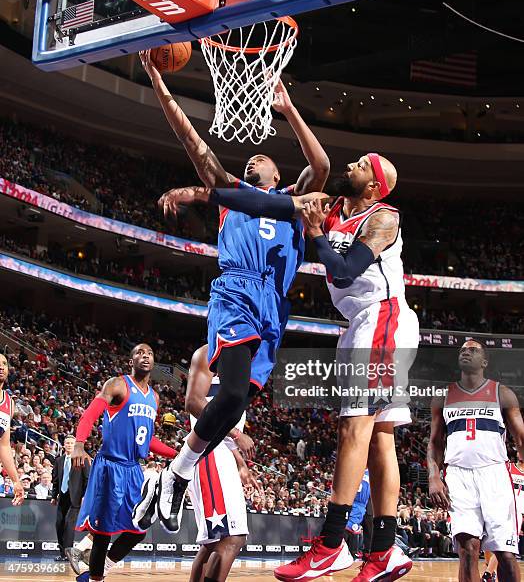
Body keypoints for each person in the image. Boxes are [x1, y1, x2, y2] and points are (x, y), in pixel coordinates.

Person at [169, 154, 417, 580]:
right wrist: (204, 194)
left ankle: (332, 543)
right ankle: (383, 551)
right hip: (367, 322)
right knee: (380, 437)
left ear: (374, 185)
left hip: (382, 317)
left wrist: (317, 229)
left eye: (361, 165)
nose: (351, 165)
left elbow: (341, 272)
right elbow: (265, 205)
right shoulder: (335, 206)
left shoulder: (383, 218)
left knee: (354, 428)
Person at [139, 49, 330, 534]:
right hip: (236, 292)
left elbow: (322, 165)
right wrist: (160, 82)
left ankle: (173, 475)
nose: (253, 160)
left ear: (278, 177)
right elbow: (190, 139)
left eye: (261, 158)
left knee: (235, 401)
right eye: (249, 159)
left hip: (273, 307)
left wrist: (288, 111)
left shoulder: (293, 202)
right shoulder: (228, 194)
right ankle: (178, 474)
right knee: (236, 388)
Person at [71, 344, 176, 582]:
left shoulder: (154, 398)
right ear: (131, 361)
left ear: (154, 361)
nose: (144, 355)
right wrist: (79, 444)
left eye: (149, 353)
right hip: (110, 465)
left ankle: (100, 569)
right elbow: (90, 414)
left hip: (133, 469)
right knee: (103, 533)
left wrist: (176, 454)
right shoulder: (117, 384)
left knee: (139, 529)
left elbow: (148, 439)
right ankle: (95, 579)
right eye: (139, 352)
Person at [428, 340, 524, 582]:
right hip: (458, 475)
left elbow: (521, 440)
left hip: (494, 474)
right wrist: (433, 476)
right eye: (462, 350)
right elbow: (435, 443)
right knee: (467, 550)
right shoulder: (444, 396)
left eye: (472, 350)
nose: (465, 352)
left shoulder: (502, 393)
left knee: (505, 552)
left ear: (484, 361)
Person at [185, 345, 260, 582]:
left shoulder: (240, 364)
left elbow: (225, 424)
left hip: (222, 455)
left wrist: (240, 464)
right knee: (230, 538)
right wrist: (237, 435)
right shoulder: (209, 356)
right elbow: (197, 407)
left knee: (214, 543)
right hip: (209, 454)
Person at [51, 435, 90, 562]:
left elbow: (87, 480)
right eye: (67, 443)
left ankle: (69, 555)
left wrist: (85, 496)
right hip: (62, 496)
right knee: (59, 524)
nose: (69, 445)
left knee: (69, 524)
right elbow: (56, 480)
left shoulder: (82, 459)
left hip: (76, 497)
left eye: (71, 443)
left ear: (75, 445)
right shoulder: (59, 461)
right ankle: (62, 553)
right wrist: (53, 496)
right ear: (64, 445)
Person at [0, 354, 24, 506]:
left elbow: (4, 445)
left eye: (4, 363)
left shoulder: (9, 402)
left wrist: (16, 480)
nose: (1, 366)